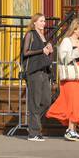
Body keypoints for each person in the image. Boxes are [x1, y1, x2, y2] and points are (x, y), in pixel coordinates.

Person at [46, 18, 79, 141]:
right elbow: (63, 58)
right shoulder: (67, 41)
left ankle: (73, 129)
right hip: (71, 74)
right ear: (74, 28)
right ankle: (70, 129)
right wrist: (77, 51)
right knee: (73, 101)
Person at [21, 13, 54, 141]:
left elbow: (45, 53)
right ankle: (34, 133)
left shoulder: (43, 36)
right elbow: (25, 52)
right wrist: (42, 51)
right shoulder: (31, 34)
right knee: (34, 102)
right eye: (41, 21)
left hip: (44, 71)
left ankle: (33, 125)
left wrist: (49, 50)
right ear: (34, 22)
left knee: (46, 101)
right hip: (33, 71)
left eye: (44, 21)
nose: (43, 23)